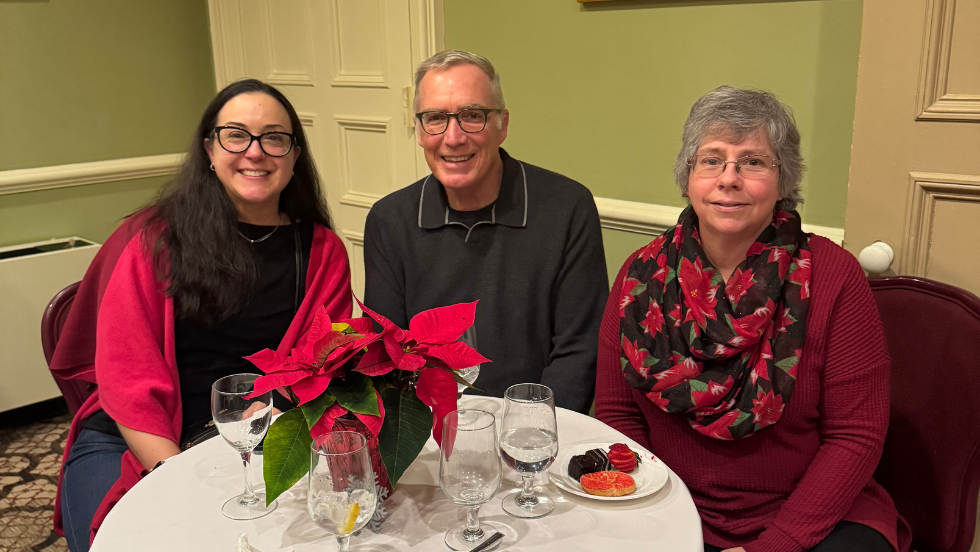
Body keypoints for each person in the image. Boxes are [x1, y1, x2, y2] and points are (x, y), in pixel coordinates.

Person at [595, 86, 912, 552]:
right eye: (711, 160)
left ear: (784, 182)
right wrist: (651, 516)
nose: (729, 178)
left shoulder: (832, 275)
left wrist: (775, 546)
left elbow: (856, 436)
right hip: (667, 505)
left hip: (811, 517)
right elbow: (618, 415)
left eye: (754, 162)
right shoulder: (640, 275)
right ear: (687, 176)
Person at [52, 79, 352, 552]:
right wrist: (175, 475)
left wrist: (272, 422)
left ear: (295, 156)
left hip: (253, 436)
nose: (255, 152)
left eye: (275, 138)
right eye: (236, 134)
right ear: (210, 149)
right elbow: (125, 379)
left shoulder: (321, 251)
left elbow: (320, 364)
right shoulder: (154, 239)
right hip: (137, 437)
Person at [363, 50, 608, 414]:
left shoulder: (567, 207)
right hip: (430, 430)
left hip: (535, 429)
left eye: (472, 116)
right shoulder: (389, 220)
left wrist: (526, 433)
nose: (454, 137)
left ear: (502, 124)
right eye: (435, 119)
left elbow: (580, 349)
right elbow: (386, 356)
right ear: (419, 130)